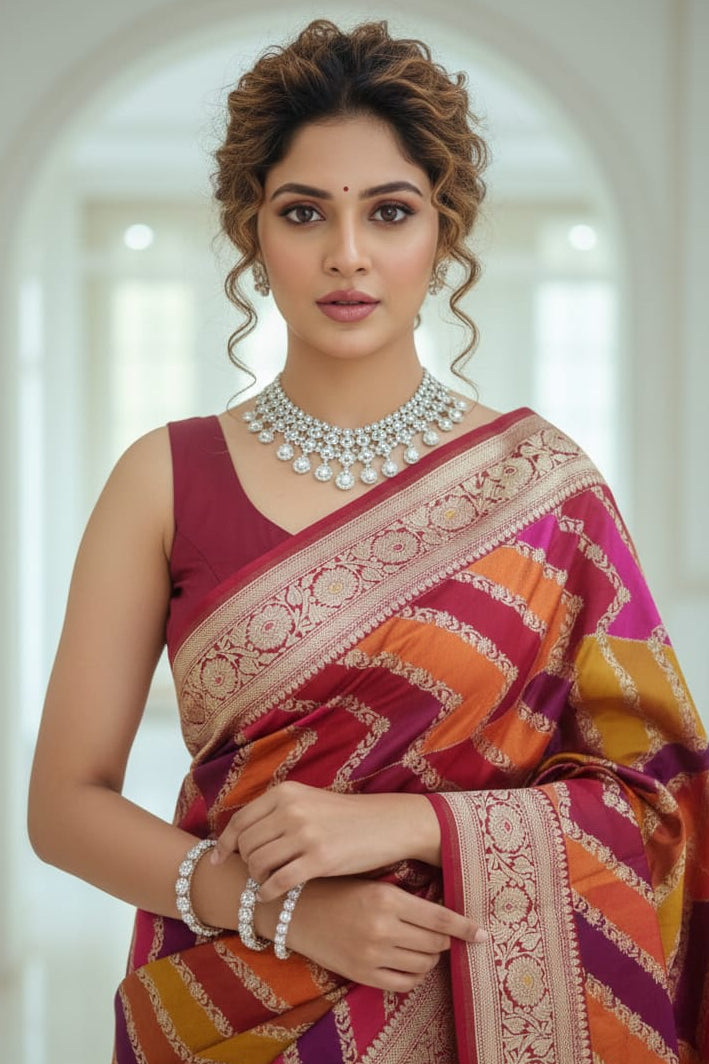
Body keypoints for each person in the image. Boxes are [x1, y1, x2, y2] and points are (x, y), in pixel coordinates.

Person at [28, 18, 709, 1064]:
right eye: (304, 212)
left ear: (442, 232)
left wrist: (414, 827)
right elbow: (64, 807)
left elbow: (659, 804)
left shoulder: (541, 487)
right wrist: (284, 911)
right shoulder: (163, 477)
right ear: (254, 232)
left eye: (389, 211)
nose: (346, 254)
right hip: (233, 1009)